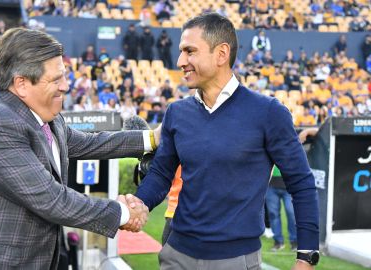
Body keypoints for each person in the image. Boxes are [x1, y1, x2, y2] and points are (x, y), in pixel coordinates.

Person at [0, 28, 157, 269]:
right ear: (22, 83)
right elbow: (51, 198)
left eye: (65, 75)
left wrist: (151, 139)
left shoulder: (42, 113)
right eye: (56, 79)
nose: (66, 86)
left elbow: (86, 142)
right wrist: (123, 213)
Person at [126, 13, 319, 269]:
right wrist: (139, 203)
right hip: (176, 254)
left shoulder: (269, 112)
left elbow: (302, 183)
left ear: (221, 54)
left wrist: (306, 257)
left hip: (236, 260)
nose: (180, 60)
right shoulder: (176, 112)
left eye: (190, 51)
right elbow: (161, 173)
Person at [266, 166, 297, 252]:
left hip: (289, 185)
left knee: (291, 213)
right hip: (270, 186)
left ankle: (294, 241)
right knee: (273, 214)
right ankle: (278, 242)